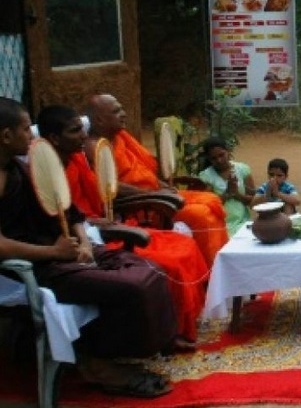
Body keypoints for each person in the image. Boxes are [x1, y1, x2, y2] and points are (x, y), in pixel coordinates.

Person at [0, 97, 176, 397]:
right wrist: (54, 253)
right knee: (130, 289)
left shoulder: (24, 167)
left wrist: (82, 242)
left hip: (67, 251)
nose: (33, 135)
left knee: (150, 270)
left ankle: (139, 346)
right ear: (6, 136)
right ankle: (97, 364)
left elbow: (71, 213)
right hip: (35, 265)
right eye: (27, 129)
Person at [38, 104, 208, 349]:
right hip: (86, 241)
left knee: (184, 244)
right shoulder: (42, 175)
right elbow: (69, 217)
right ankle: (164, 336)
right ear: (54, 138)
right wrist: (92, 231)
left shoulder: (76, 159)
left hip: (96, 230)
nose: (84, 135)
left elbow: (82, 208)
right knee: (163, 264)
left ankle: (178, 326)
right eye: (76, 131)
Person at [84, 94, 228, 267]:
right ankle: (212, 272)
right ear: (99, 120)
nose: (124, 114)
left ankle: (223, 268)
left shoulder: (121, 137)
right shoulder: (95, 147)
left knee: (211, 199)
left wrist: (163, 186)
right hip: (143, 205)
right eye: (116, 111)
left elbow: (143, 170)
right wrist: (153, 193)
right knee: (201, 215)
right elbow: (109, 186)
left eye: (121, 109)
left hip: (155, 194)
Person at [198, 137, 256, 235]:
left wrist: (237, 194)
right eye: (214, 158)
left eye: (221, 155)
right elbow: (208, 208)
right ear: (208, 159)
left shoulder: (242, 169)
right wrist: (227, 193)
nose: (219, 160)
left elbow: (254, 203)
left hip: (243, 223)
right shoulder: (205, 177)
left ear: (228, 151)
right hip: (219, 227)